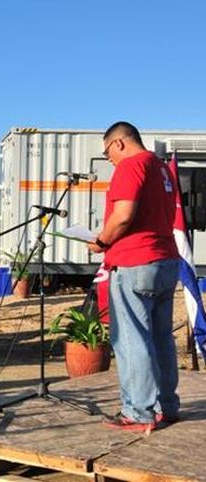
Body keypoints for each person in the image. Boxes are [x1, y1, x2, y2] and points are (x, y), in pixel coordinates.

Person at [88, 121, 180, 432]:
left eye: (107, 152)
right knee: (162, 338)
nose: (108, 159)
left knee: (131, 340)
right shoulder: (162, 169)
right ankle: (167, 406)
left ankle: (138, 411)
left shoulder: (130, 166)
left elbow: (124, 215)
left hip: (134, 262)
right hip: (165, 261)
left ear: (119, 143)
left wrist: (101, 240)